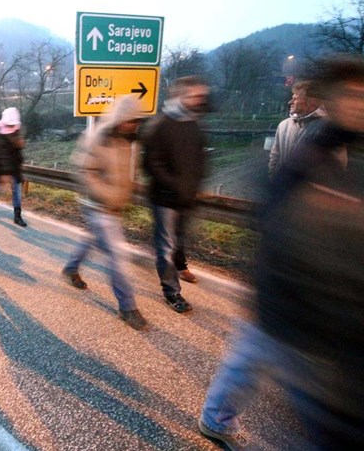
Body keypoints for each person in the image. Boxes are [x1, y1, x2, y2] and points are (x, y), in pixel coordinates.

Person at [199, 54, 364, 450]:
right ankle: (215, 417)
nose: (292, 102)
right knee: (259, 364)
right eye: (354, 95)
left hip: (302, 307)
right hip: (297, 304)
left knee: (249, 359)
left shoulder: (340, 148)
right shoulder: (313, 146)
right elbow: (287, 207)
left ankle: (215, 417)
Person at [62, 96, 149, 330]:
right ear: (121, 119)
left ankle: (70, 268)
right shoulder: (98, 137)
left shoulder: (130, 140)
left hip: (116, 207)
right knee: (118, 256)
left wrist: (129, 191)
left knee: (91, 239)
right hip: (97, 205)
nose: (135, 125)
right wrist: (109, 196)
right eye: (132, 120)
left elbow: (131, 170)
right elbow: (84, 172)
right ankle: (127, 307)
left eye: (138, 121)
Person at [141, 76, 209, 312]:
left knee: (177, 242)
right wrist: (176, 186)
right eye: (196, 96)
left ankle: (179, 270)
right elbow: (151, 164)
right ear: (181, 96)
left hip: (187, 198)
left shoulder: (194, 124)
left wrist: (195, 186)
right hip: (165, 199)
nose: (200, 100)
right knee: (167, 246)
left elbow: (200, 158)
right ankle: (172, 293)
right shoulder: (159, 126)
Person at [268, 80, 326, 176]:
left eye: (295, 99)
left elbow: (337, 165)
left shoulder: (328, 128)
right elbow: (275, 156)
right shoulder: (283, 125)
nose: (290, 102)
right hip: (282, 186)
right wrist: (273, 178)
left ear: (311, 102)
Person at [0, 107, 27, 227]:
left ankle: (18, 216)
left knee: (16, 193)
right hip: (0, 170)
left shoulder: (17, 132)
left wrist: (19, 146)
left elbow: (18, 154)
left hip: (14, 169)